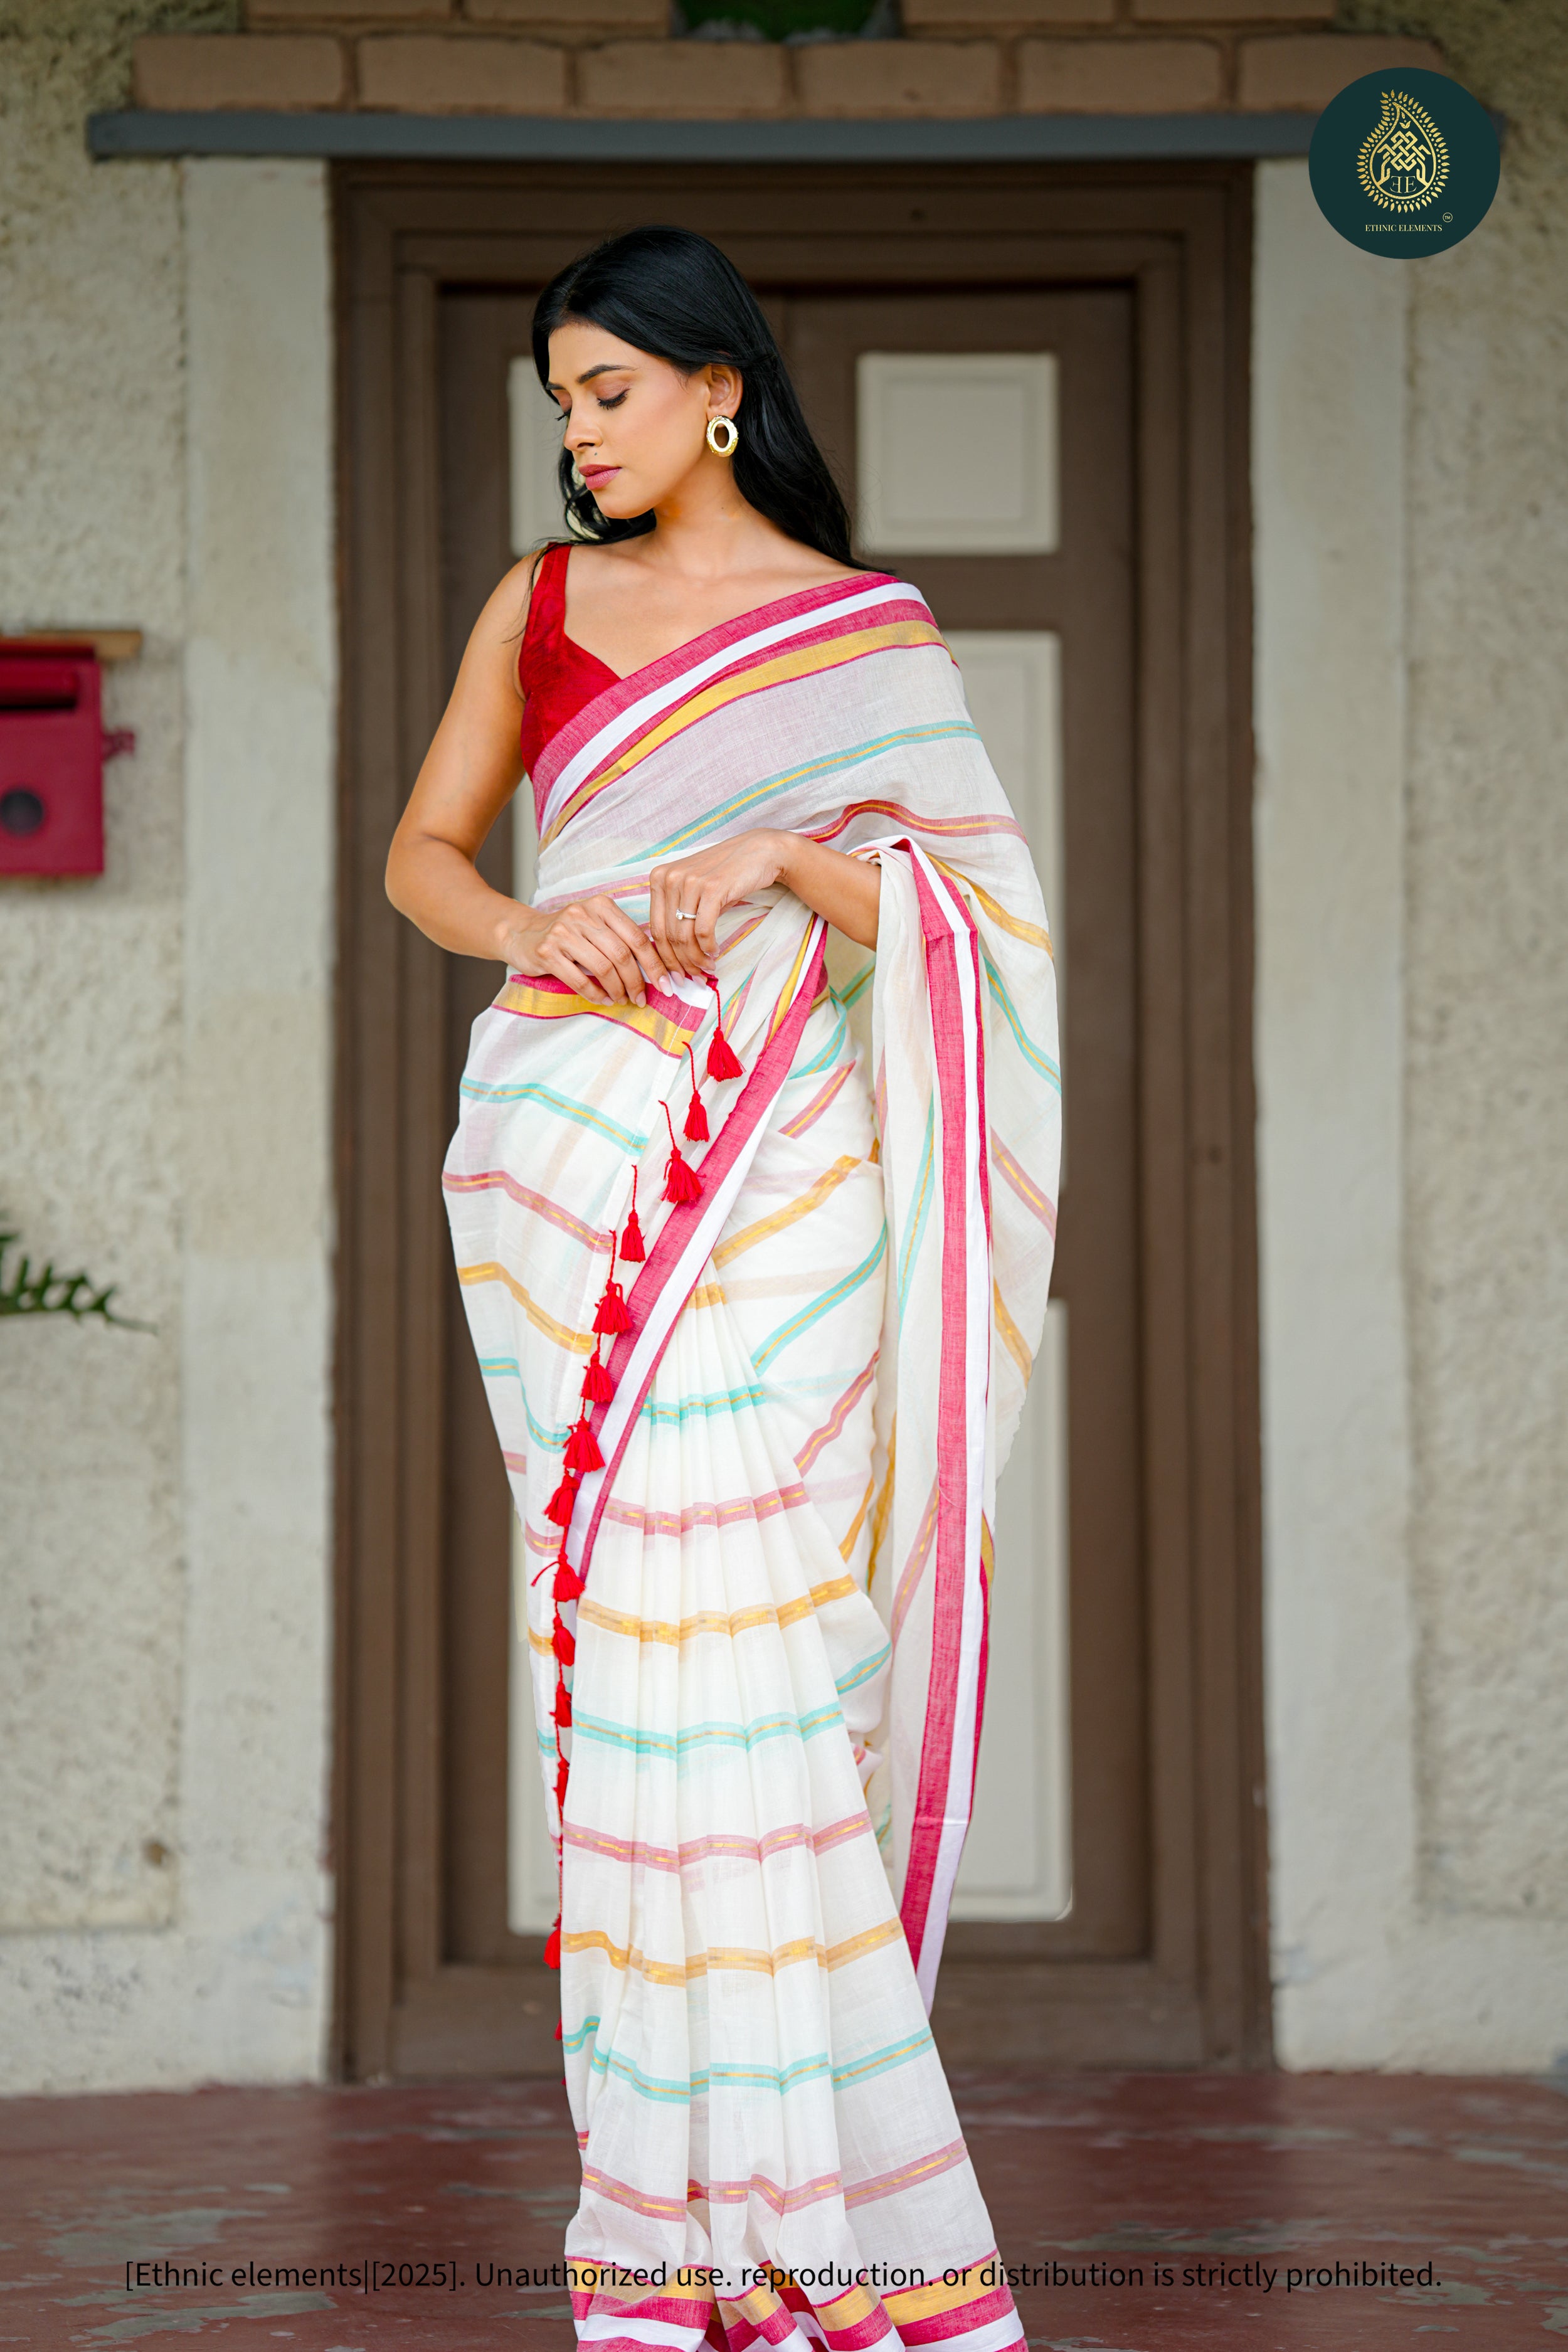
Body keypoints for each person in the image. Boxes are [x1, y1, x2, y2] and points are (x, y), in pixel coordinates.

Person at [387, 225, 1060, 2352]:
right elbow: (424, 858)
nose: (580, 432)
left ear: (720, 390)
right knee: (656, 1665)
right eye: (560, 401)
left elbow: (973, 927)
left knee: (759, 1641)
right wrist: (531, 929)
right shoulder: (540, 602)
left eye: (609, 390)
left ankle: (821, 2214)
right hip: (577, 1148)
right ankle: (679, 2226)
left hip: (787, 1173)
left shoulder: (868, 636)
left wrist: (776, 857)